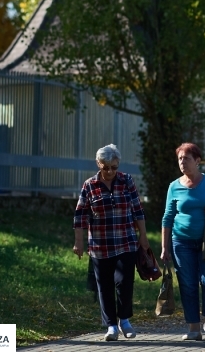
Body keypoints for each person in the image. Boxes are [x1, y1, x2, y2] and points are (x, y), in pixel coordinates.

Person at [73, 144, 149, 341]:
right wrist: (78, 242)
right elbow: (80, 215)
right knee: (104, 285)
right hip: (100, 244)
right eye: (105, 167)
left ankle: (124, 320)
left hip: (126, 240)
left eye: (114, 167)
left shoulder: (126, 181)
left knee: (124, 280)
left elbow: (137, 209)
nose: (110, 172)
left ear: (118, 165)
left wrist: (143, 236)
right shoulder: (89, 185)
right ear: (98, 164)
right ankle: (111, 326)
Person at [161, 142, 205, 341]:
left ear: (197, 161)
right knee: (187, 284)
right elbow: (167, 217)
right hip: (181, 243)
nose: (182, 162)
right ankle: (193, 328)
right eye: (180, 158)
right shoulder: (174, 186)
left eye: (187, 158)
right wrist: (165, 247)